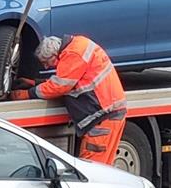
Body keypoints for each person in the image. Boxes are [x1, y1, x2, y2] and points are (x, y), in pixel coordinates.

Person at [10, 35, 127, 165]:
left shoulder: (73, 54)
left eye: (46, 62)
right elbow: (71, 78)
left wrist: (28, 94)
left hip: (102, 118)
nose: (47, 67)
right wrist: (35, 83)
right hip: (109, 114)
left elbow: (60, 86)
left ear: (54, 54)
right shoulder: (77, 45)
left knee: (92, 171)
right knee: (104, 168)